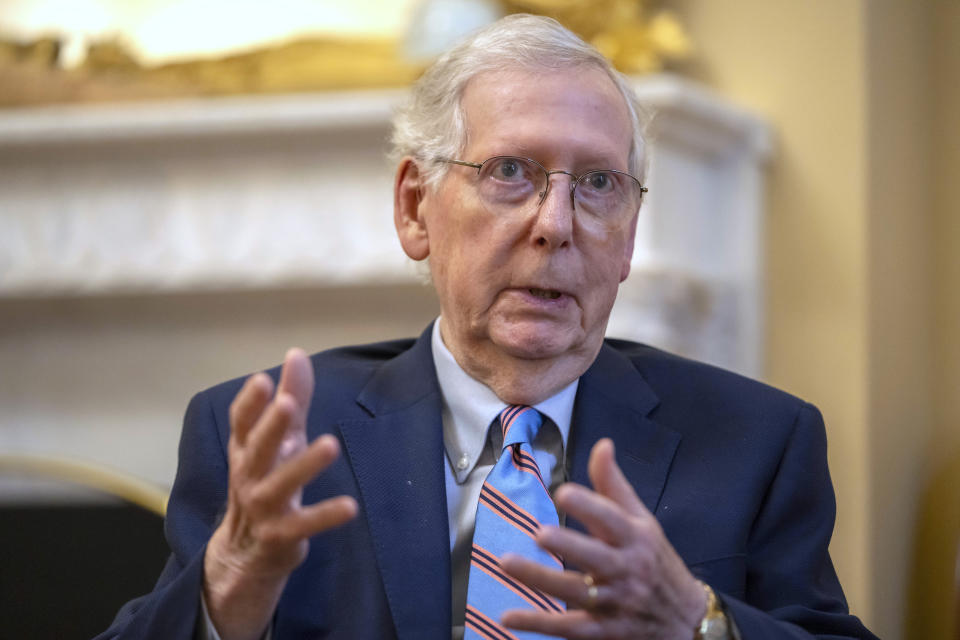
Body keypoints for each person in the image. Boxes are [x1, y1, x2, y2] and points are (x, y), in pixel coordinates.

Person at [97, 14, 877, 640]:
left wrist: (697, 625)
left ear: (630, 235)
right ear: (414, 208)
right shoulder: (278, 438)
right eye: (511, 172)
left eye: (599, 183)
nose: (556, 224)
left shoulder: (757, 443)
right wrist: (229, 587)